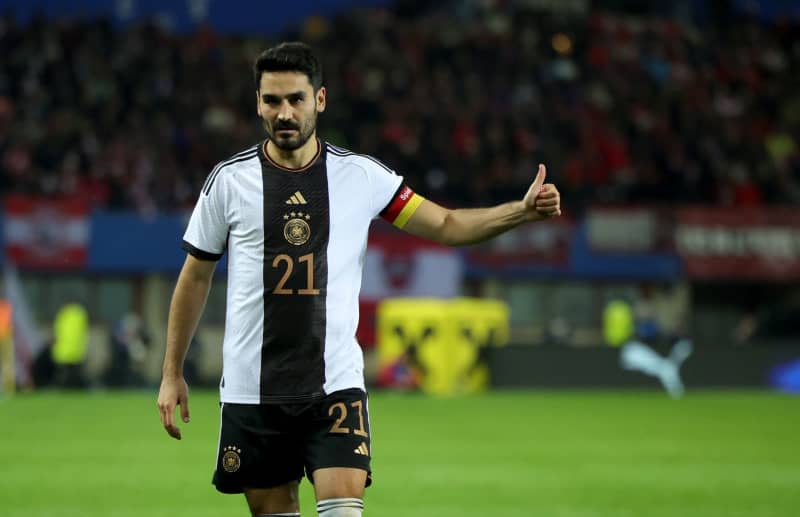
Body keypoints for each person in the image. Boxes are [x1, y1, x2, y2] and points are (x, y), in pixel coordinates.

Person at [157, 41, 561, 517]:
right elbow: (195, 277)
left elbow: (447, 225)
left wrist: (520, 212)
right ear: (258, 104)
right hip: (253, 390)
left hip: (335, 386)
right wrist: (171, 372)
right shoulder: (228, 181)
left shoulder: (362, 177)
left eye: (295, 99)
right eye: (272, 101)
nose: (284, 112)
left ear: (319, 100)